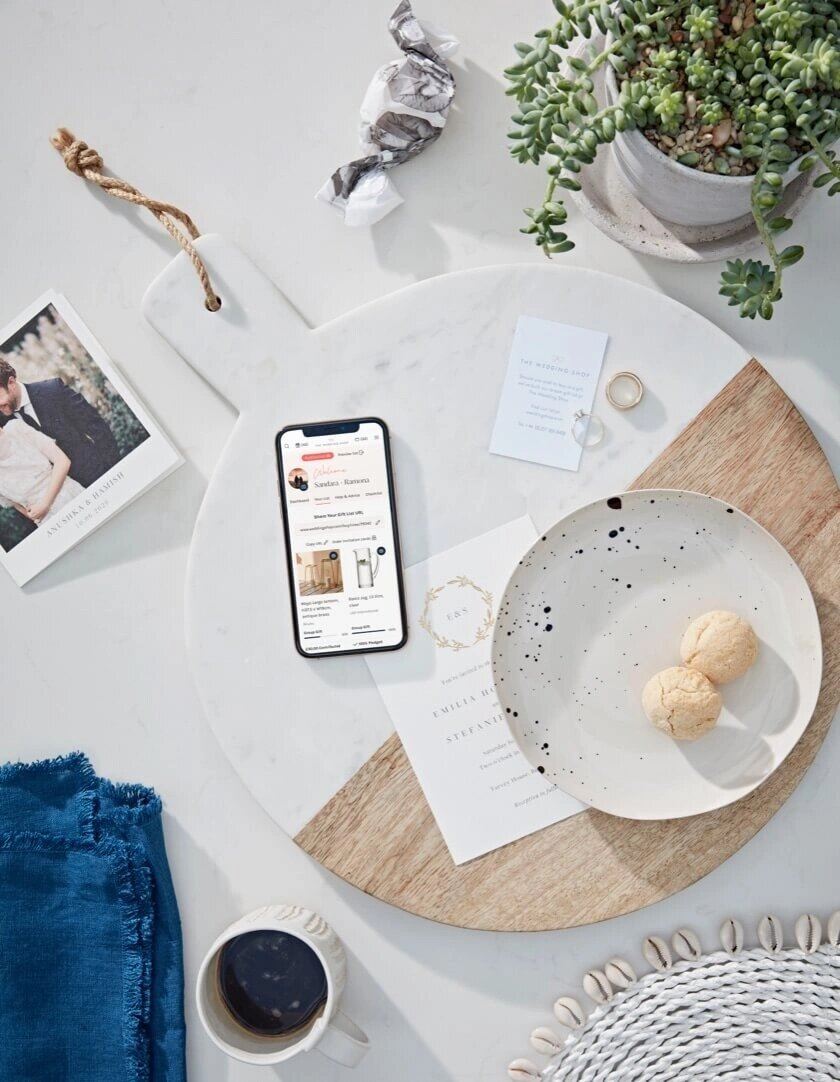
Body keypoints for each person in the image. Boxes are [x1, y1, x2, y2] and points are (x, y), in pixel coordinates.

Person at [0, 359, 120, 488]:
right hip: (59, 494)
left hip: (96, 476)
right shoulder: (2, 422)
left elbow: (97, 427)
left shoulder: (53, 390)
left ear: (11, 383)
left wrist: (115, 471)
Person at [0, 417, 84, 526]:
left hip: (70, 499)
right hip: (48, 522)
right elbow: (16, 504)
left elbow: (62, 461)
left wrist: (45, 504)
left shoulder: (16, 429)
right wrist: (34, 515)